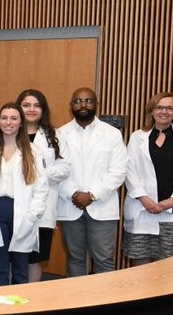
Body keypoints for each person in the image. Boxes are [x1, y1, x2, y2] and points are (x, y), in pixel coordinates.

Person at [123, 93, 173, 265]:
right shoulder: (137, 137)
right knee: (140, 261)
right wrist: (143, 197)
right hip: (143, 207)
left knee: (172, 264)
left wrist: (172, 200)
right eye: (159, 107)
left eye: (169, 108)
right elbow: (129, 169)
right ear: (151, 111)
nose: (164, 111)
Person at [56, 87, 127, 275]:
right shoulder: (59, 134)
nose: (83, 105)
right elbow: (56, 170)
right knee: (75, 258)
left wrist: (92, 194)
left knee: (104, 260)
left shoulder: (111, 134)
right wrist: (74, 193)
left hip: (102, 205)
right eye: (78, 101)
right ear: (71, 105)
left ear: (96, 104)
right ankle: (77, 303)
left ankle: (104, 304)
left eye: (88, 100)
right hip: (70, 204)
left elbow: (118, 170)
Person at [0, 103, 48, 286]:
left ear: (21, 123)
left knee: (21, 267)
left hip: (22, 212)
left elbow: (41, 188)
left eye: (14, 118)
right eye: (4, 118)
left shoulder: (33, 152)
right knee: (0, 266)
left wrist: (33, 214)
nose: (8, 122)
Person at [17, 89, 69, 282]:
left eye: (36, 105)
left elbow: (64, 167)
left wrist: (36, 175)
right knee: (13, 255)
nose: (31, 109)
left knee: (35, 259)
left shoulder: (54, 135)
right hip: (12, 205)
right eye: (26, 105)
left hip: (43, 207)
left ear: (43, 109)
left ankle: (31, 303)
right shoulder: (8, 130)